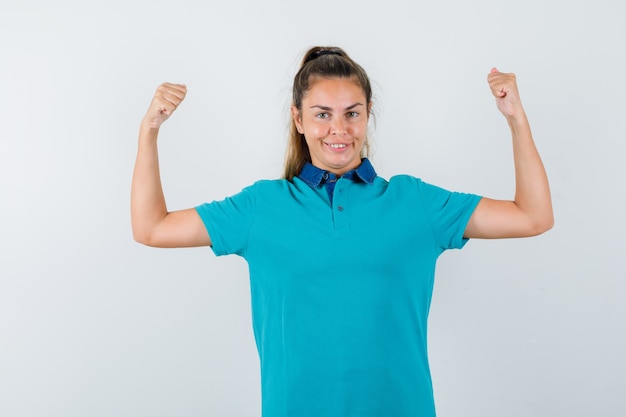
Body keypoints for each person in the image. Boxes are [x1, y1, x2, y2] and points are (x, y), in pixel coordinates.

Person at [131, 46, 553, 417]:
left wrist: (516, 119)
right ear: (298, 119)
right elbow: (152, 227)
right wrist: (148, 131)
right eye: (322, 115)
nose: (339, 129)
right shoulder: (261, 207)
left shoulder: (415, 203)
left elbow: (532, 217)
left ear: (368, 114)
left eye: (352, 113)